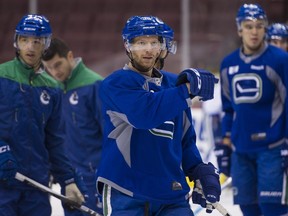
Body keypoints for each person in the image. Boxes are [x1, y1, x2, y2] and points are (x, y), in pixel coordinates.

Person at [95, 15, 221, 216]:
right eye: (141, 43)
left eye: (154, 42)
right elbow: (143, 114)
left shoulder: (174, 86)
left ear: (163, 47)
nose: (147, 49)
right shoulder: (115, 83)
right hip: (127, 191)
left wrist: (198, 171)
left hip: (171, 194)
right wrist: (186, 91)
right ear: (128, 46)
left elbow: (185, 140)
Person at [0, 14, 85, 216]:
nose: (30, 47)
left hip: (36, 185)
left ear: (45, 44)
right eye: (24, 40)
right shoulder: (1, 76)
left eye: (36, 41)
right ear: (17, 42)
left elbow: (55, 141)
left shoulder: (53, 88)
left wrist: (69, 181)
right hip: (3, 183)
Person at [218, 4, 288, 216]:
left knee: (272, 208)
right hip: (241, 150)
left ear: (265, 28)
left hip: (273, 148)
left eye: (259, 26)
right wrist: (225, 143)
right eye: (248, 26)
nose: (254, 31)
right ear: (240, 29)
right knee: (248, 208)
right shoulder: (227, 64)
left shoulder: (280, 60)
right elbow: (229, 109)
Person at [42, 38, 104, 215]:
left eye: (58, 65)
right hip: (68, 181)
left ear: (69, 56)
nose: (54, 72)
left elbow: (111, 134)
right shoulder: (51, 91)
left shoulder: (95, 85)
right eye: (49, 67)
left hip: (96, 179)